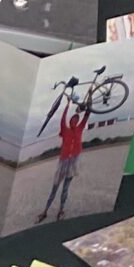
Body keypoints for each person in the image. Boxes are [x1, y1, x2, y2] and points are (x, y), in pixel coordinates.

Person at [40, 79, 91, 223]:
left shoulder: (80, 129)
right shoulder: (65, 130)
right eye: (73, 119)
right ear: (70, 122)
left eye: (76, 119)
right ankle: (45, 211)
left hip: (74, 161)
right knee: (54, 188)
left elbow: (87, 114)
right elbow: (63, 118)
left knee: (65, 189)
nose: (75, 120)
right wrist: (68, 104)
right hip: (63, 160)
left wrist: (91, 94)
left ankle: (61, 210)